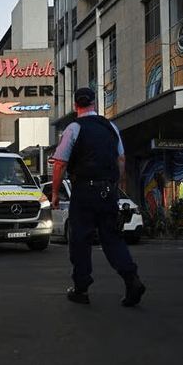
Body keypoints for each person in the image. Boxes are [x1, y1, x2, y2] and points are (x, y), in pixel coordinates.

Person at [51, 87, 146, 307]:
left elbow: (60, 162)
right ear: (95, 103)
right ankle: (131, 278)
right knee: (112, 238)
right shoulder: (110, 127)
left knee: (80, 239)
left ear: (76, 105)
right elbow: (121, 160)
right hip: (108, 190)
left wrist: (55, 192)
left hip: (84, 190)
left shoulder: (74, 127)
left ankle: (81, 288)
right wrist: (114, 184)